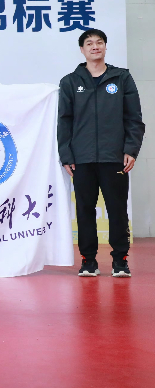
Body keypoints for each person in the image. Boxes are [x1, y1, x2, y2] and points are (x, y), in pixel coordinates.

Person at [58, 29, 145, 278]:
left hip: (113, 156)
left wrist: (130, 149)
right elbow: (64, 121)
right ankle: (88, 261)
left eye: (99, 42)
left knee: (117, 209)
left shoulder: (122, 78)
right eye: (89, 43)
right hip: (82, 158)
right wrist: (67, 155)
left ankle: (120, 261)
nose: (95, 46)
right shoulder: (70, 82)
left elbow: (134, 118)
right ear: (82, 50)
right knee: (84, 210)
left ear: (105, 47)